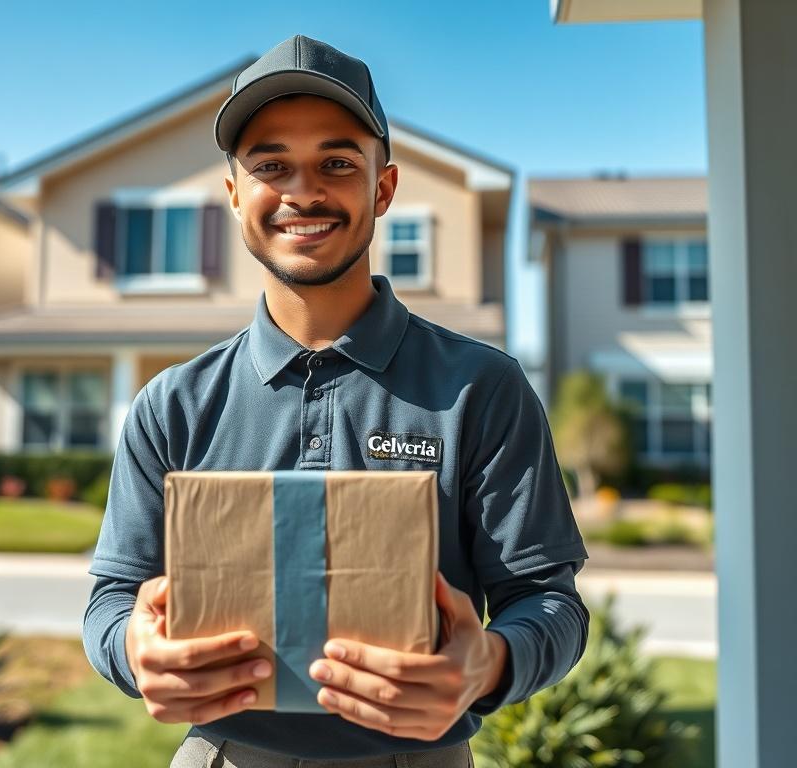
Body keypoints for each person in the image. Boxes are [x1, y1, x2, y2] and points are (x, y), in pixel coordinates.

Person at [83, 34, 590, 768]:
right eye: (270, 165)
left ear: (382, 189)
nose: (303, 191)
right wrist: (132, 648)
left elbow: (551, 601)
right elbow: (112, 598)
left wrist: (487, 665)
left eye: (337, 163)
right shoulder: (172, 405)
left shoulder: (483, 388)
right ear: (234, 194)